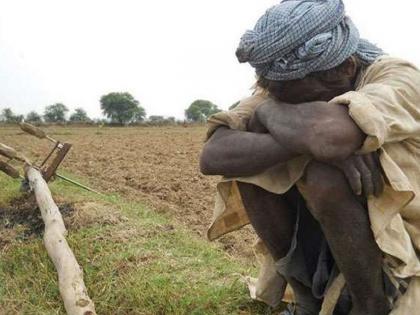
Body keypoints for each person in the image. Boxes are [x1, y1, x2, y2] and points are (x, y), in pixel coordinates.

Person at [200, 1, 420, 314]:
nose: (281, 104)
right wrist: (272, 114)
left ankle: (370, 306)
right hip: (337, 240)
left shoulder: (398, 77)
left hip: (405, 246)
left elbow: (329, 136)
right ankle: (306, 301)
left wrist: (294, 131)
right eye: (278, 100)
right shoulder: (279, 94)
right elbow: (214, 154)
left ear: (344, 69)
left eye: (301, 101)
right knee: (249, 167)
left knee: (326, 175)